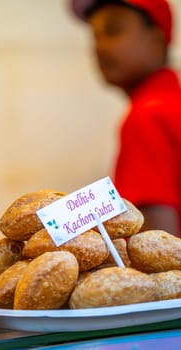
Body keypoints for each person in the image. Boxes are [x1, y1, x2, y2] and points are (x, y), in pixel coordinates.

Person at [70, 0, 181, 236]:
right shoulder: (173, 104)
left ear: (157, 40)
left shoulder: (147, 116)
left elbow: (158, 249)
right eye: (95, 36)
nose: (98, 48)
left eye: (113, 30)